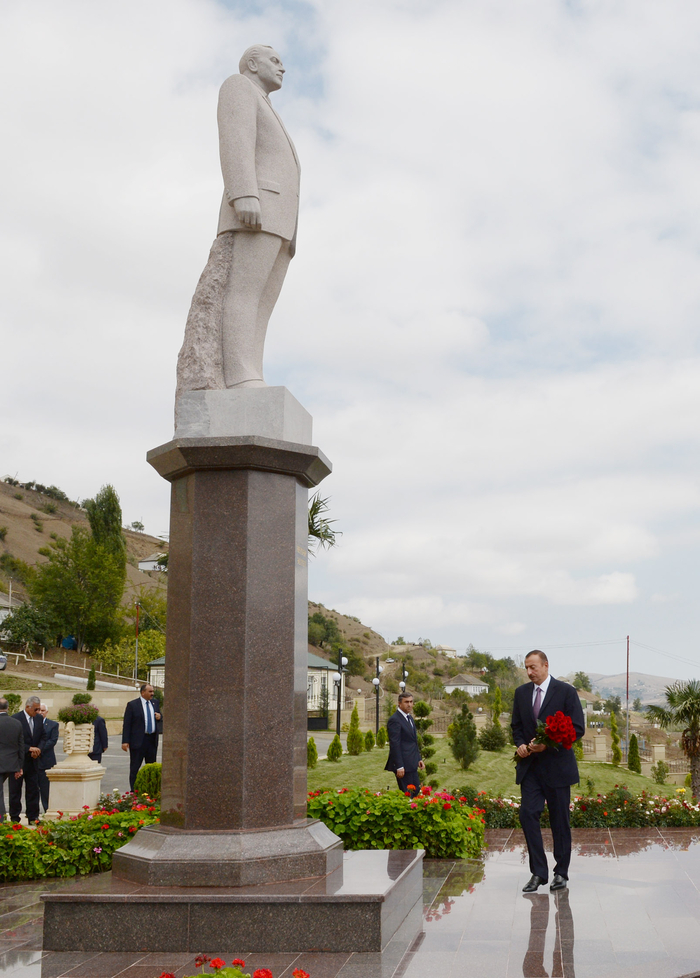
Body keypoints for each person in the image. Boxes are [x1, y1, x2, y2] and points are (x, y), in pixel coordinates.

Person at [176, 44, 301, 394]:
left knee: (262, 302)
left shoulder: (265, 101)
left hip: (280, 217)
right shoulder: (238, 87)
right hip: (257, 207)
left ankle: (252, 373)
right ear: (252, 63)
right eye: (275, 61)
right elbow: (236, 139)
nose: (283, 68)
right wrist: (243, 193)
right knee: (244, 294)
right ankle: (240, 376)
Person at [511, 650, 585, 892]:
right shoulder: (521, 693)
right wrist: (521, 744)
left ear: (545, 665)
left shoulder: (565, 692)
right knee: (527, 814)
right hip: (530, 768)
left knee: (559, 821)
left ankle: (561, 872)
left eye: (533, 667)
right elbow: (517, 726)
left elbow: (577, 728)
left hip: (558, 768)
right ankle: (538, 873)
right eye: (527, 668)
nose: (530, 672)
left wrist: (549, 743)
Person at [9, 695, 47, 824]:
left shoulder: (38, 719)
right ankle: (15, 817)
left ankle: (33, 817)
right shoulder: (15, 719)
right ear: (27, 707)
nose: (38, 712)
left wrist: (38, 749)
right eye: (35, 709)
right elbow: (13, 741)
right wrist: (28, 748)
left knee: (33, 789)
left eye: (39, 710)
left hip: (33, 761)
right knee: (15, 790)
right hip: (19, 761)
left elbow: (43, 737)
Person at [121, 684, 162, 792]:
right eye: (150, 691)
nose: (152, 693)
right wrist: (125, 741)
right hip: (138, 741)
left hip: (152, 740)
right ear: (142, 692)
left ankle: (151, 791)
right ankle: (134, 791)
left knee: (151, 767)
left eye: (152, 691)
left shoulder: (155, 703)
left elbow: (159, 718)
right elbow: (127, 724)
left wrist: (159, 717)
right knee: (135, 768)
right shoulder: (133, 705)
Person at [384, 692, 425, 797]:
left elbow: (413, 742)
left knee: (416, 793)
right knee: (408, 796)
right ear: (399, 703)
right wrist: (399, 766)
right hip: (403, 766)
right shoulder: (395, 720)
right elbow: (395, 744)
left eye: (411, 702)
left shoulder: (410, 718)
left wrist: (418, 759)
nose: (409, 705)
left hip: (412, 763)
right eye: (406, 702)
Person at [0, 698, 24, 821]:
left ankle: (2, 821)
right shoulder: (17, 723)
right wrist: (20, 766)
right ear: (8, 708)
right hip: (11, 764)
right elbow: (21, 746)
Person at [36, 703, 59, 814]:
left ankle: (47, 812)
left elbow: (52, 741)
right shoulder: (32, 723)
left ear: (47, 712)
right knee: (33, 790)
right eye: (39, 710)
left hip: (46, 762)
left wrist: (38, 749)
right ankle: (33, 814)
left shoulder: (53, 725)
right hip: (33, 762)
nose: (40, 712)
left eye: (43, 710)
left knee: (46, 790)